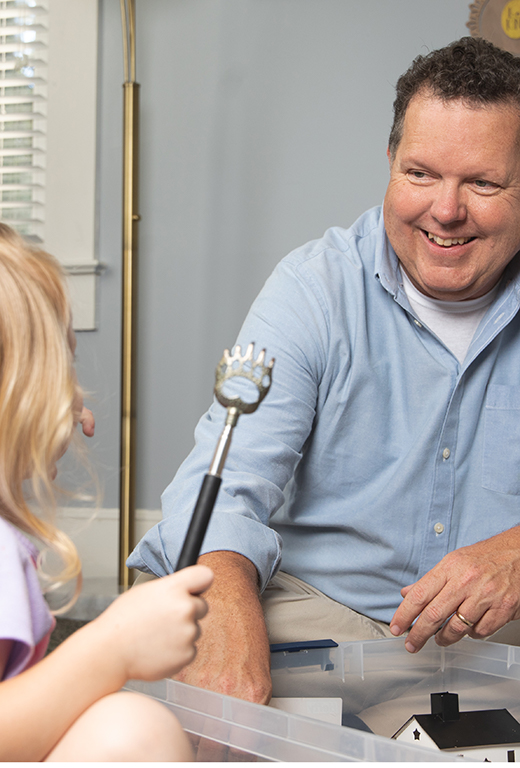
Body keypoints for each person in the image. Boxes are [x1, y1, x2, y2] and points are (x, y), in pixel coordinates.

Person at [128, 35, 520, 709]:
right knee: (164, 643)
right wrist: (224, 590)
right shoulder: (314, 287)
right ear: (390, 161)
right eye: (421, 174)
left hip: (495, 640)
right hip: (320, 615)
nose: (446, 210)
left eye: (482, 183)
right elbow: (225, 479)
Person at [0, 213, 213, 762]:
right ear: (14, 399)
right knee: (131, 727)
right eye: (61, 369)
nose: (77, 395)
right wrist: (110, 648)